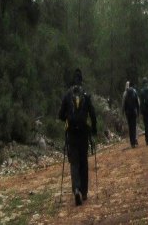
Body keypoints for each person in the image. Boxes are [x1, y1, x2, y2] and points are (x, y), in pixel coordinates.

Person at [58, 68, 97, 207]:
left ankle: (76, 189)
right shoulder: (86, 95)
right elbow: (92, 114)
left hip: (71, 134)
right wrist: (94, 130)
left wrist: (67, 118)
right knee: (83, 161)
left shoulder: (67, 95)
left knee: (74, 162)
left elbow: (60, 115)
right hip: (84, 133)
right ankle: (84, 192)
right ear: (81, 80)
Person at [122, 80, 140, 147]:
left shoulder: (124, 93)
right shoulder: (134, 91)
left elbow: (123, 104)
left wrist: (122, 112)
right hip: (134, 111)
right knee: (135, 125)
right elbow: (138, 102)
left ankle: (132, 142)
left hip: (128, 113)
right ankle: (135, 139)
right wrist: (138, 110)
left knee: (130, 127)